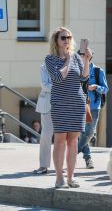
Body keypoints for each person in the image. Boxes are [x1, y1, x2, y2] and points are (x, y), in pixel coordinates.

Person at [45, 27, 90, 188]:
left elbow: (84, 77)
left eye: (69, 37)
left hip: (77, 103)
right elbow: (58, 78)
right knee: (60, 141)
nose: (67, 40)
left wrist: (86, 60)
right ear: (56, 41)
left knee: (73, 141)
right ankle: (59, 177)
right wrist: (68, 59)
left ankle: (71, 177)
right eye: (63, 37)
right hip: (60, 103)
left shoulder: (76, 57)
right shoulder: (50, 59)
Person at [78, 49, 109, 169]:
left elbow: (105, 89)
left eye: (85, 55)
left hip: (94, 106)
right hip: (79, 105)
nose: (83, 57)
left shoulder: (98, 71)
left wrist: (96, 87)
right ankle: (88, 158)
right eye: (81, 55)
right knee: (82, 133)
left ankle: (74, 152)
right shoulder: (77, 71)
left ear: (90, 56)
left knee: (89, 132)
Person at [33, 63, 53, 174]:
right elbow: (45, 85)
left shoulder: (68, 63)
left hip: (64, 104)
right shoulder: (45, 66)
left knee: (64, 136)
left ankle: (61, 166)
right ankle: (43, 165)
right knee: (46, 135)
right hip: (47, 104)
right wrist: (62, 87)